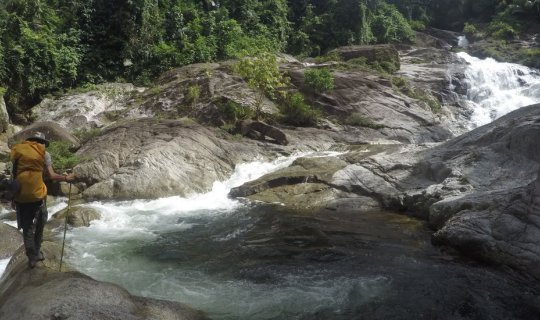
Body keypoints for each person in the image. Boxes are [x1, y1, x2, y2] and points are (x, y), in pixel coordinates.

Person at [10, 132, 75, 268]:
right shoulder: (44, 154)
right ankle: (37, 252)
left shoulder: (19, 152)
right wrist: (65, 178)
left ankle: (31, 258)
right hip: (37, 194)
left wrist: (12, 197)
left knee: (27, 227)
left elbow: (13, 176)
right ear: (42, 143)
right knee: (40, 221)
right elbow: (51, 175)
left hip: (21, 194)